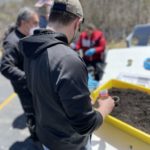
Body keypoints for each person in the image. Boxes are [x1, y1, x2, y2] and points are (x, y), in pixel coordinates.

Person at [19, 0, 115, 150]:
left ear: (51, 17)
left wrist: (78, 101)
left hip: (47, 138)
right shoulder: (69, 60)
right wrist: (105, 107)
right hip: (69, 144)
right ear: (77, 23)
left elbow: (45, 93)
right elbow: (85, 124)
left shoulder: (31, 50)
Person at [0, 7, 39, 141]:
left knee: (40, 112)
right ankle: (36, 138)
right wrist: (28, 78)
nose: (36, 26)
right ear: (24, 22)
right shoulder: (12, 42)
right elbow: (5, 66)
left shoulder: (26, 36)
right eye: (34, 23)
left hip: (33, 84)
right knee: (32, 114)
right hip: (24, 87)